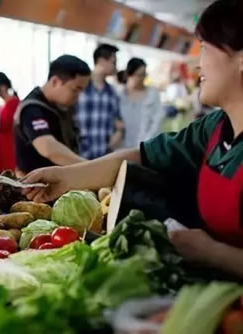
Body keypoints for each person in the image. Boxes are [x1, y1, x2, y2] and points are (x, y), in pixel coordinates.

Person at [23, 0, 243, 279]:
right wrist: (66, 178)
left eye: (206, 48)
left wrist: (214, 253)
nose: (198, 64)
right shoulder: (212, 128)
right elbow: (140, 157)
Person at [13, 55, 90, 176]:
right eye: (75, 90)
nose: (78, 96)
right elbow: (48, 147)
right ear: (55, 81)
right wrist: (89, 167)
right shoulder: (32, 109)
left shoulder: (62, 107)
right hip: (35, 188)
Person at [77, 44, 125, 159]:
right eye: (113, 62)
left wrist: (119, 133)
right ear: (102, 61)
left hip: (104, 157)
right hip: (79, 155)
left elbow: (118, 121)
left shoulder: (112, 93)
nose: (116, 67)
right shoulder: (79, 89)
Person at [119, 58, 164, 148]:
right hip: (121, 147)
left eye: (144, 75)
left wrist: (144, 144)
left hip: (145, 147)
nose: (142, 78)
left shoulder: (153, 94)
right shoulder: (119, 94)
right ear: (129, 74)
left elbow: (156, 121)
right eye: (139, 75)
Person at [0, 72, 20, 173]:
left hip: (9, 147)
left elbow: (5, 124)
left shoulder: (13, 103)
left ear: (1, 86)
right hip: (2, 148)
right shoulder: (3, 105)